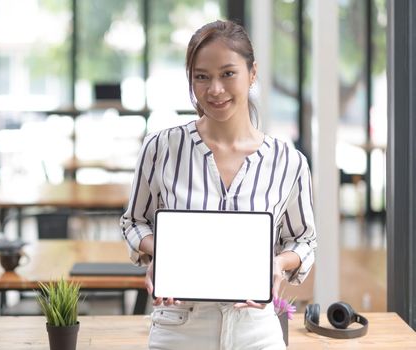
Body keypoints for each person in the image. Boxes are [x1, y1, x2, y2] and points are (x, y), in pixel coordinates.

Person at [120, 20, 317, 350]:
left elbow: (303, 240)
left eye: (228, 73)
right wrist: (163, 252)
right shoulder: (161, 147)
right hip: (179, 326)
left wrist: (278, 264)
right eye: (202, 76)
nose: (215, 89)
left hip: (256, 330)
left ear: (252, 73)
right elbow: (134, 222)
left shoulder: (288, 161)